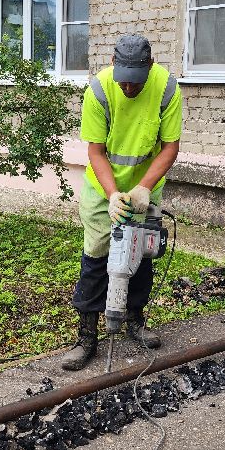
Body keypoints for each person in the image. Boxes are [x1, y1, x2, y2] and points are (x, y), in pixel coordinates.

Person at [62, 33, 182, 371]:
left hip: (146, 186)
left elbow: (170, 147)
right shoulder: (99, 90)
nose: (129, 89)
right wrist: (113, 194)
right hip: (103, 188)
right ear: (113, 65)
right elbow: (95, 153)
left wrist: (144, 187)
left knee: (141, 253)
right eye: (124, 83)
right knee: (98, 253)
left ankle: (135, 322)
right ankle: (86, 337)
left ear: (151, 67)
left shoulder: (166, 88)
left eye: (136, 83)